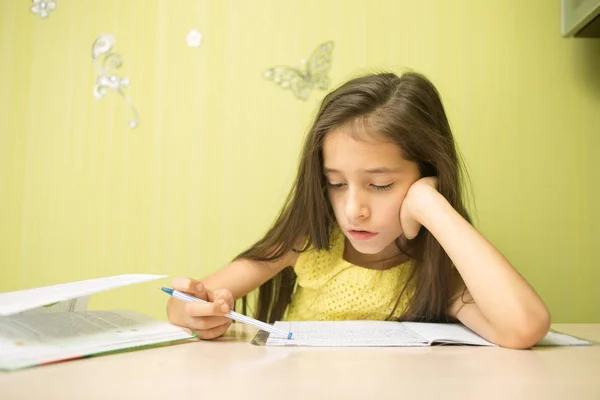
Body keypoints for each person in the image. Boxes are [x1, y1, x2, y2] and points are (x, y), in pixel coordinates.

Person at [166, 71, 551, 349]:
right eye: (335, 183)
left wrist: (432, 206)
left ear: (427, 175)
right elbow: (183, 304)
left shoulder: (436, 272)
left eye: (380, 185)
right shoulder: (307, 242)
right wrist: (192, 311)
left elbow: (523, 327)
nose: (353, 210)